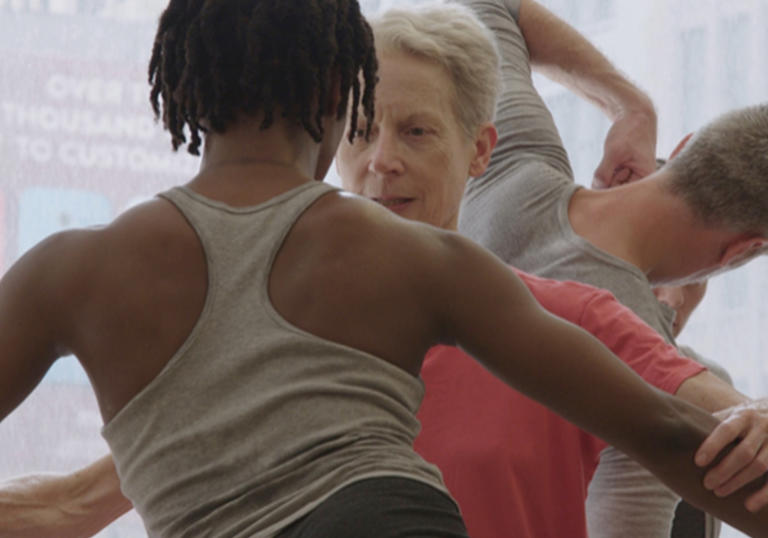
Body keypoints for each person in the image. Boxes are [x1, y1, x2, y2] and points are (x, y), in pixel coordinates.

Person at [4, 3, 768, 538]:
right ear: (339, 97)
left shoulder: (68, 272)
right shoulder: (420, 264)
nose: (382, 162)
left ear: (181, 90)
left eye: (416, 131)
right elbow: (673, 436)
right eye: (367, 127)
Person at [451, 0, 768, 537]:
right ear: (736, 252)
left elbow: (487, 6)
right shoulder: (647, 368)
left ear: (686, 146)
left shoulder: (508, 160)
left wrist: (630, 107)